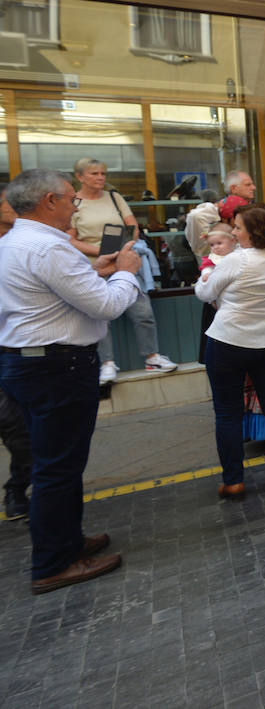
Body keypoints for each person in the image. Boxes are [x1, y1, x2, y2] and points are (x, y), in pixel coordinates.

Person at [0, 168, 141, 594]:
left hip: (31, 364)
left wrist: (97, 270)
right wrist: (126, 271)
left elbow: (55, 296)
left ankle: (67, 542)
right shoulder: (47, 248)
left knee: (57, 463)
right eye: (70, 199)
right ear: (48, 202)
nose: (75, 206)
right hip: (56, 367)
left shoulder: (15, 243)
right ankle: (53, 562)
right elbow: (107, 306)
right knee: (57, 469)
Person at [194, 203, 265, 500]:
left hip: (229, 342)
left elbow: (206, 293)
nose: (234, 232)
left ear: (254, 233)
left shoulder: (236, 261)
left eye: (239, 227)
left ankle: (233, 481)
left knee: (228, 413)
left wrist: (202, 279)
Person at [67, 158, 178, 384]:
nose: (100, 178)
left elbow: (132, 225)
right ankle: (106, 363)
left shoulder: (114, 198)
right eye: (94, 174)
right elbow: (70, 239)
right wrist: (100, 251)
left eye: (103, 173)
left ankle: (152, 357)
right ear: (79, 177)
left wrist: (125, 247)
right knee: (99, 317)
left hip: (122, 260)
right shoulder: (73, 203)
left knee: (142, 312)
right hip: (93, 266)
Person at [0, 192, 34, 521]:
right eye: (9, 203)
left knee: (18, 428)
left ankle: (18, 486)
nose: (17, 208)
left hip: (14, 352)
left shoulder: (21, 243)